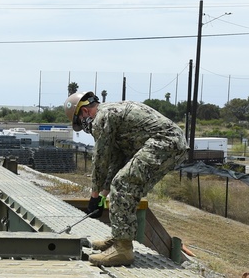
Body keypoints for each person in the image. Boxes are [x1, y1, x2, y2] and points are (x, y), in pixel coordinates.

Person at [64, 90, 187, 267]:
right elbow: (116, 160)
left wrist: (94, 195)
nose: (84, 128)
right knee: (122, 183)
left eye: (80, 123)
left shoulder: (102, 118)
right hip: (169, 142)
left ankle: (123, 249)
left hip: (163, 142)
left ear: (84, 113)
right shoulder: (111, 114)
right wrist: (103, 195)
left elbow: (101, 158)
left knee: (123, 186)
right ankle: (118, 238)